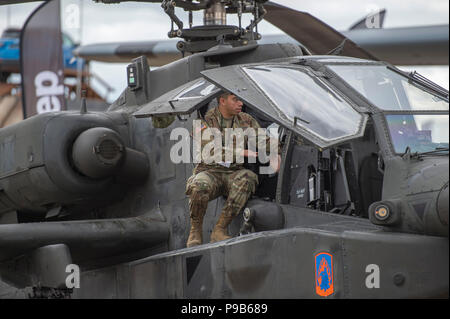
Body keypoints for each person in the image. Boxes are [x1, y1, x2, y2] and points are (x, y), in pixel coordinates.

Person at [185, 91, 281, 248]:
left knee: (248, 177)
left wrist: (277, 151)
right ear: (222, 101)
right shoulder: (204, 122)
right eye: (235, 100)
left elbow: (265, 141)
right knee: (199, 185)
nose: (240, 103)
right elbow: (210, 152)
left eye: (240, 100)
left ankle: (219, 229)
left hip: (233, 173)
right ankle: (195, 229)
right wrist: (242, 153)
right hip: (210, 172)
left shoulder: (246, 120)